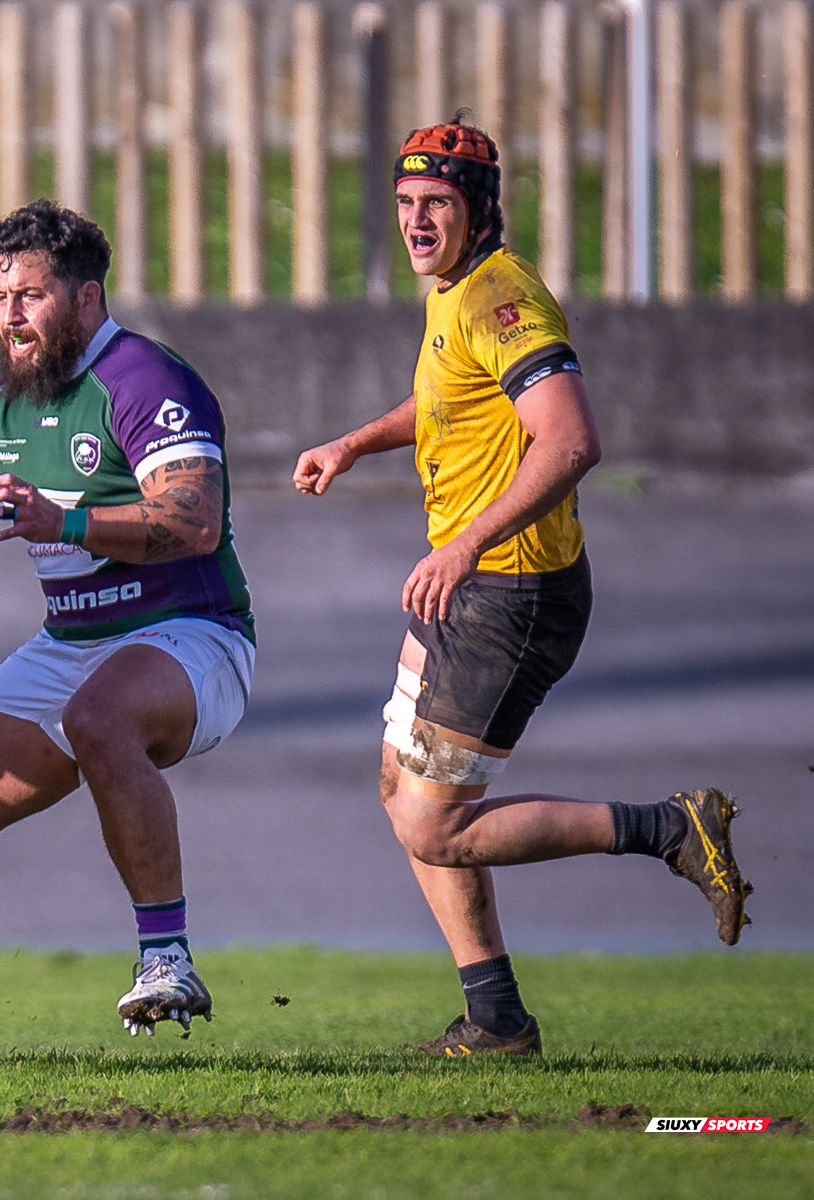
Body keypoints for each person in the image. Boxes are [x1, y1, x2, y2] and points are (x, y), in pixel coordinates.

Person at [291, 119, 750, 1058]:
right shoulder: (454, 293)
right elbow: (449, 397)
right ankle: (496, 1018)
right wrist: (354, 443)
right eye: (406, 203)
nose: (417, 221)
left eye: (437, 203)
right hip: (466, 585)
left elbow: (572, 441)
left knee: (435, 826)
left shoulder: (501, 297)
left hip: (511, 592)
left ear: (478, 208)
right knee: (400, 785)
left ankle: (672, 828)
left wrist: (464, 545)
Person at [0, 200, 255, 1068]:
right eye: (0, 298)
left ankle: (167, 958)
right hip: (73, 645)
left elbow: (195, 519)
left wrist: (60, 521)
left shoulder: (144, 380)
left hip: (193, 635)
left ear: (87, 299)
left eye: (31, 296)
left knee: (99, 718)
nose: (11, 316)